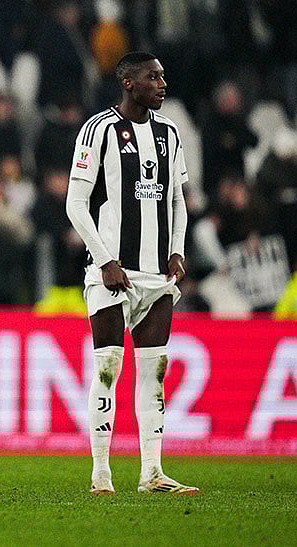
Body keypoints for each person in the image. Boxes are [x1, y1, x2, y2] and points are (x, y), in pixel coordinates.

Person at [65, 51, 199, 496]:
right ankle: (101, 472)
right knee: (108, 367)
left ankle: (152, 472)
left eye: (163, 75)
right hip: (111, 273)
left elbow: (178, 199)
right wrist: (105, 260)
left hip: (157, 276)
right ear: (127, 82)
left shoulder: (169, 133)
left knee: (154, 371)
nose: (163, 83)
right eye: (153, 76)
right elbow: (75, 204)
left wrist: (177, 250)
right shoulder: (98, 130)